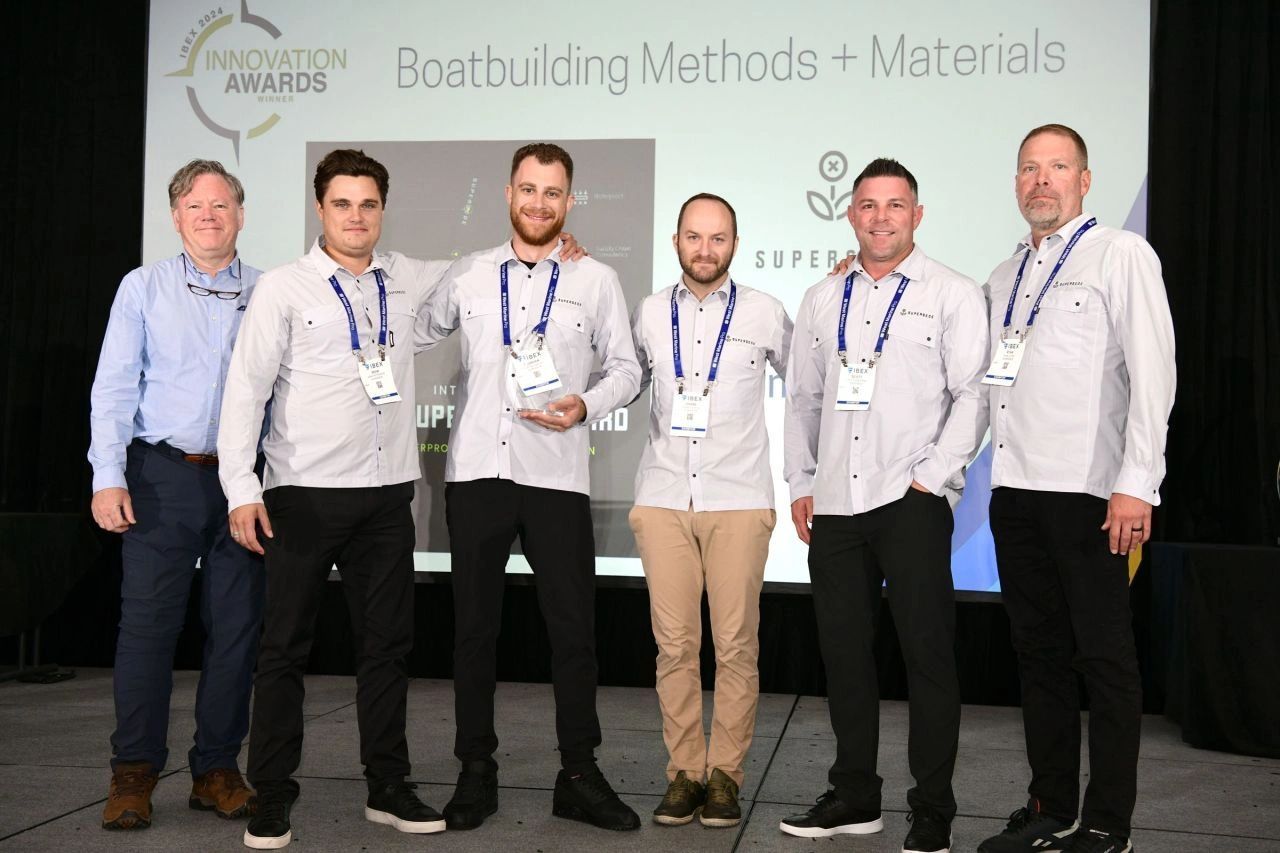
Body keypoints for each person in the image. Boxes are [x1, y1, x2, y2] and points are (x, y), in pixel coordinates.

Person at [217, 149, 450, 849]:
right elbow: (246, 389)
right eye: (343, 204)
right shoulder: (285, 287)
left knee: (387, 648)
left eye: (369, 204)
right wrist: (240, 486)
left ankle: (388, 784)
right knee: (284, 648)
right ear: (321, 209)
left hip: (386, 495)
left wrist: (557, 242)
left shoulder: (407, 277)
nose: (356, 216)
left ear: (383, 209)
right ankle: (273, 793)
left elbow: (484, 275)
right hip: (304, 493)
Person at [417, 142, 642, 832]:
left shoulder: (596, 279)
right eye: (528, 189)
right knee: (474, 632)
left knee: (573, 633)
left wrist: (586, 404)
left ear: (569, 202)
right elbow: (415, 326)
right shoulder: (468, 274)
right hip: (479, 474)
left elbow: (628, 369)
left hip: (556, 476)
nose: (539, 203)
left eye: (553, 192)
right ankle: (474, 771)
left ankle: (578, 772)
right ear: (508, 195)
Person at [781, 157, 989, 853]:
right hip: (837, 501)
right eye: (868, 205)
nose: (880, 217)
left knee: (927, 656)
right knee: (845, 656)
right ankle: (854, 795)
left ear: (917, 215)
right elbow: (805, 397)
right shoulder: (823, 295)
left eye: (894, 205)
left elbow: (974, 395)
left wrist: (931, 478)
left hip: (911, 498)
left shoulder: (952, 293)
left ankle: (932, 807)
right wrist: (801, 480)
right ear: (851, 215)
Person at [976, 124, 1175, 853]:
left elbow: (1155, 375)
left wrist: (1137, 485)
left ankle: (1107, 822)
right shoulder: (1004, 275)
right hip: (1015, 492)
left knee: (1105, 658)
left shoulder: (1121, 254)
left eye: (1058, 166)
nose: (1041, 180)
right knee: (1039, 657)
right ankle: (1049, 805)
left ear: (1085, 180)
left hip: (1093, 496)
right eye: (1029, 167)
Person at [89, 158, 263, 831]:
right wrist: (108, 475)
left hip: (243, 480)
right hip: (160, 475)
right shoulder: (143, 288)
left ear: (241, 214)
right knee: (148, 629)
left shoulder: (269, 291)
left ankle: (216, 769)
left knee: (237, 630)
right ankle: (133, 773)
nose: (211, 216)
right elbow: (113, 388)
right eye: (197, 206)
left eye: (222, 205)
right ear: (176, 216)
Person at [628, 193, 791, 828]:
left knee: (736, 646)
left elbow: (811, 383)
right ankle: (684, 775)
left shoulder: (765, 312)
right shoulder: (647, 313)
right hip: (664, 497)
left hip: (739, 500)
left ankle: (725, 776)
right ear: (676, 242)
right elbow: (623, 375)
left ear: (735, 243)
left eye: (717, 238)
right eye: (694, 237)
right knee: (673, 646)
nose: (705, 249)